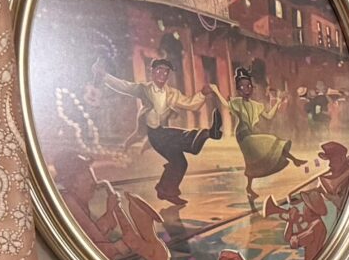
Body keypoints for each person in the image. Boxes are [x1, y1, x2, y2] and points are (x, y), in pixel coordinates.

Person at [95, 55, 221, 209]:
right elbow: (125, 86)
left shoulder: (172, 93)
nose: (163, 75)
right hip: (155, 135)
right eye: (159, 71)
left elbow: (190, 104)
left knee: (180, 163)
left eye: (166, 72)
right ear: (152, 72)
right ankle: (207, 134)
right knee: (177, 136)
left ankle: (165, 190)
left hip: (163, 133)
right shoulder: (144, 89)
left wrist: (202, 93)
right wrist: (104, 76)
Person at [227, 65, 307, 207]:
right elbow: (227, 105)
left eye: (249, 86)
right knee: (271, 141)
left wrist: (278, 103)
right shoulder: (236, 103)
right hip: (242, 135)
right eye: (243, 87)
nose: (247, 89)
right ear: (238, 90)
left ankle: (249, 188)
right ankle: (294, 160)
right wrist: (217, 92)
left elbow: (269, 116)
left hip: (250, 133)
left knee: (252, 161)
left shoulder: (256, 105)